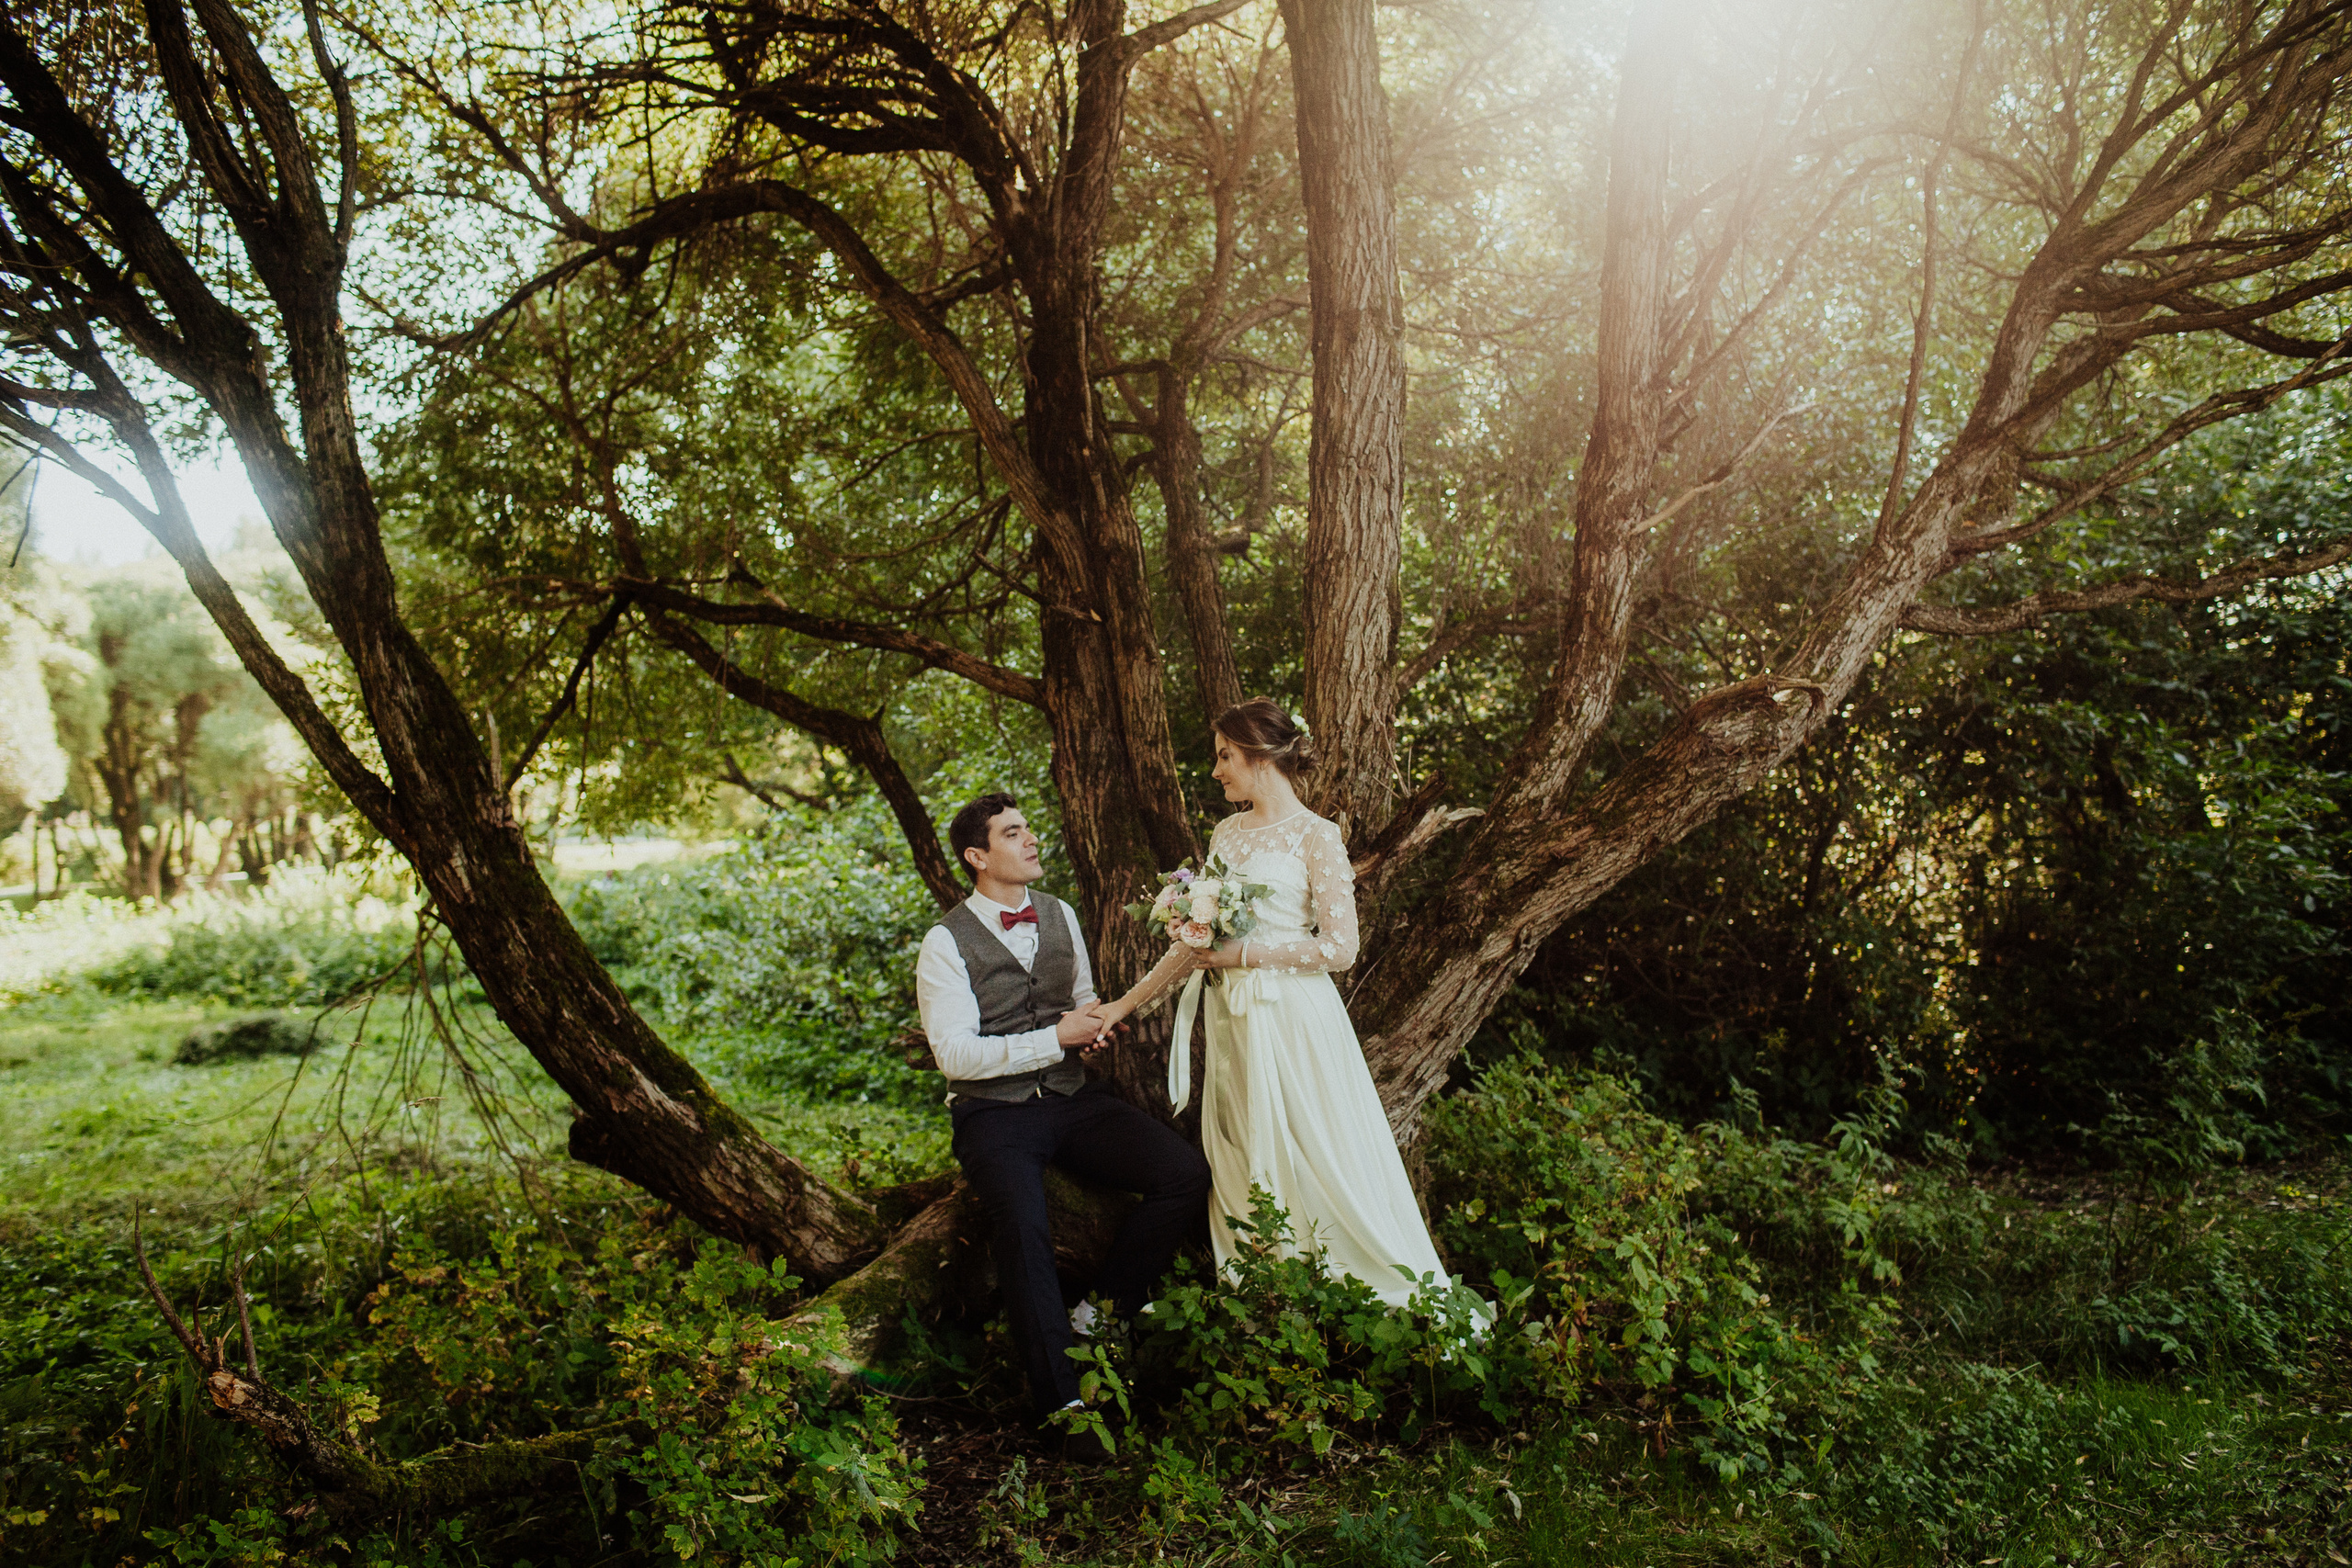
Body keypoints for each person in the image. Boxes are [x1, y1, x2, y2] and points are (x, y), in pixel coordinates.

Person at [1097, 700, 1478, 1318]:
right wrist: (1124, 1004)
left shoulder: (1316, 835)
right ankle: (1266, 1288)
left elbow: (1341, 946)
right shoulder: (1226, 834)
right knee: (1244, 1143)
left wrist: (1245, 952)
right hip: (1233, 1025)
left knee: (1314, 1145)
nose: (1217, 770)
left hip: (1293, 1018)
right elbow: (1195, 943)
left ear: (1259, 756)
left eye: (1224, 755)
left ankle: (1336, 1284)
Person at [914, 792, 1211, 1449]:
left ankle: (1098, 1313)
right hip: (994, 1115)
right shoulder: (944, 942)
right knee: (1022, 1229)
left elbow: (1080, 1002)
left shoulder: (1060, 914)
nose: (1031, 840)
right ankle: (1061, 1406)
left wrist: (1093, 1028)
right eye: (1013, 833)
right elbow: (955, 1054)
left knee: (1183, 1174)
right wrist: (1056, 1038)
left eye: (1028, 828)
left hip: (1074, 1099)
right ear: (977, 855)